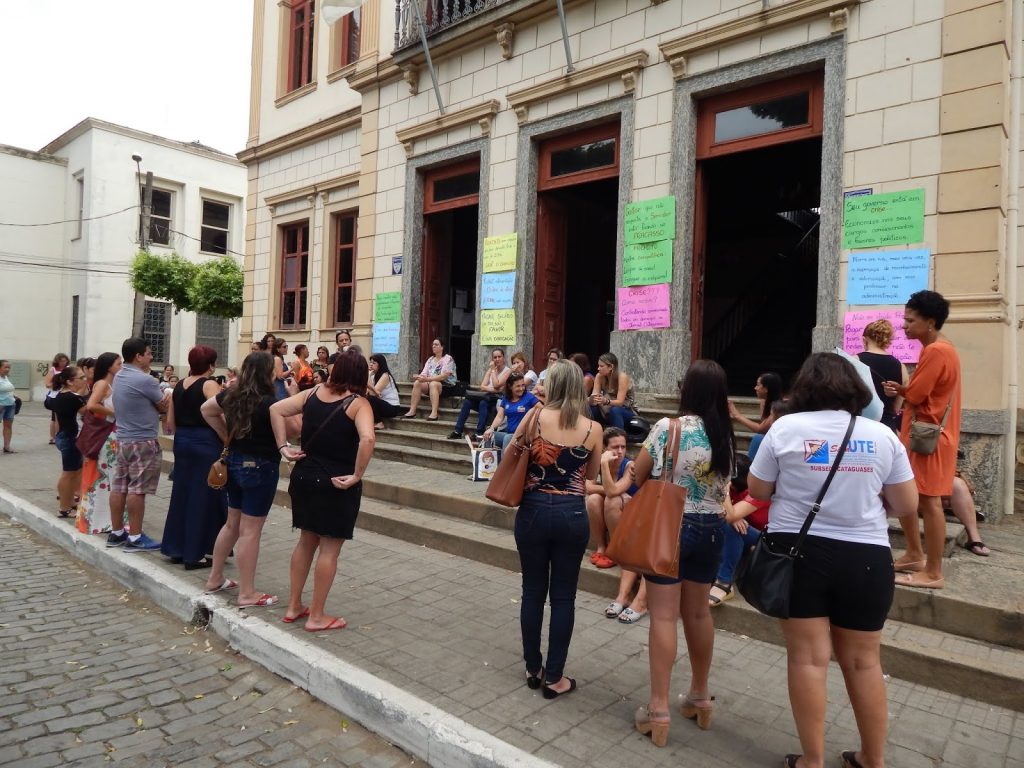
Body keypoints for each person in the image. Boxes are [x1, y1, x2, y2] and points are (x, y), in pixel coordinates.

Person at [747, 352, 918, 768]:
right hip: (867, 558)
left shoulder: (785, 428)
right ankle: (872, 759)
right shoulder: (881, 436)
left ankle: (813, 759)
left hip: (800, 554)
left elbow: (759, 489)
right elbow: (906, 504)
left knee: (808, 658)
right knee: (864, 662)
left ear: (804, 386)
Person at [632, 360, 734, 746]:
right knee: (698, 612)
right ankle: (700, 696)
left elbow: (639, 475)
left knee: (662, 616)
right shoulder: (723, 435)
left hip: (672, 527)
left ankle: (658, 710)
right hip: (711, 530)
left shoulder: (668, 428)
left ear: (687, 390)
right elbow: (723, 489)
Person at [512, 359, 602, 700]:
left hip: (533, 511)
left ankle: (533, 668)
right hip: (572, 515)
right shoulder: (592, 429)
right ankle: (555, 677)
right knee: (564, 597)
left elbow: (512, 453)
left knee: (532, 591)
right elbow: (591, 475)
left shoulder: (534, 417)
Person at [271, 350, 376, 630]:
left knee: (306, 541)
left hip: (304, 477)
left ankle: (294, 605)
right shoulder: (358, 403)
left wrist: (283, 446)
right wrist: (357, 474)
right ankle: (316, 615)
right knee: (329, 550)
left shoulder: (313, 392)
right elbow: (367, 438)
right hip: (336, 482)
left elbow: (276, 409)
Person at [201, 352, 294, 607]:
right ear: (267, 373)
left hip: (234, 462)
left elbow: (206, 409)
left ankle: (215, 577)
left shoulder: (231, 395)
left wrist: (225, 434)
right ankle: (247, 593)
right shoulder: (270, 402)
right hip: (261, 466)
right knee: (250, 530)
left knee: (232, 524)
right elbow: (289, 431)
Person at [883, 290, 961, 590]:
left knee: (929, 503)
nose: (904, 325)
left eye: (910, 320)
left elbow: (916, 395)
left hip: (927, 439)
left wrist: (901, 391)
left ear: (930, 322)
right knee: (912, 497)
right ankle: (915, 555)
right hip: (928, 436)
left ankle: (933, 571)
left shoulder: (935, 351)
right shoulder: (943, 348)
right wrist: (903, 390)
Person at [161, 346, 226, 569]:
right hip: (205, 442)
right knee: (204, 497)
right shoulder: (210, 384)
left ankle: (176, 547)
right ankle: (196, 552)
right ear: (210, 364)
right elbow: (219, 413)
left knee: (182, 494)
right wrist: (227, 438)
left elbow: (170, 421)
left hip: (183, 441)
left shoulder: (180, 385)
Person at [107, 338, 171, 552]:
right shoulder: (146, 380)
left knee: (119, 486)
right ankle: (135, 537)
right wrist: (169, 396)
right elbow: (162, 405)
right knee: (138, 489)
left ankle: (117, 533)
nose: (151, 357)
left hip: (123, 438)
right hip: (142, 439)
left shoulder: (120, 376)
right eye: (149, 353)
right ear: (138, 356)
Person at [590, 427, 649, 625]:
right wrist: (605, 486)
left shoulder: (628, 465)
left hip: (632, 514)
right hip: (617, 512)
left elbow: (613, 490)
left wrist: (605, 469)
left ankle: (617, 551)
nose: (620, 451)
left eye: (623, 446)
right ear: (605, 447)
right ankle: (602, 547)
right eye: (615, 447)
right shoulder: (596, 460)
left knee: (611, 500)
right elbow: (587, 486)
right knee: (592, 500)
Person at [708, 454, 769, 607]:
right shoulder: (733, 488)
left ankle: (724, 582)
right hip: (744, 536)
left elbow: (729, 515)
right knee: (727, 525)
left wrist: (725, 492)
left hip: (766, 539)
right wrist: (732, 516)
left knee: (729, 525)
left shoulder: (759, 492)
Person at [77, 353, 123, 534]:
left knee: (107, 479)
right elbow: (91, 405)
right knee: (104, 478)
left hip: (109, 435)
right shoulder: (103, 384)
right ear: (109, 366)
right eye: (118, 363)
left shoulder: (107, 383)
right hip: (106, 436)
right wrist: (113, 413)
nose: (121, 366)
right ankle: (99, 520)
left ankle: (103, 520)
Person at [45, 366, 88, 518]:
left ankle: (69, 502)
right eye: (81, 378)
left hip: (64, 436)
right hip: (71, 437)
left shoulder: (60, 396)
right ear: (70, 381)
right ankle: (64, 507)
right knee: (68, 473)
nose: (84, 380)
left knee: (74, 472)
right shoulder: (73, 398)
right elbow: (87, 411)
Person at [447, 348, 510, 439]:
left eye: (499, 357)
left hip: (497, 401)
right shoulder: (491, 370)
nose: (497, 359)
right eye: (494, 357)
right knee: (468, 401)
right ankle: (458, 430)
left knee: (483, 403)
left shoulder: (507, 371)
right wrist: (492, 388)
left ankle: (479, 432)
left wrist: (492, 381)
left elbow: (500, 389)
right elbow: (482, 386)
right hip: (487, 397)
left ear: (504, 358)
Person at [858, 319, 908, 433]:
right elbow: (896, 408)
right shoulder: (901, 366)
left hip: (861, 425)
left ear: (864, 339)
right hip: (887, 426)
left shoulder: (855, 360)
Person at [402, 338, 458, 421]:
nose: (433, 346)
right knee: (418, 383)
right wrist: (419, 377)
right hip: (431, 383)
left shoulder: (448, 359)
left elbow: (443, 376)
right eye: (433, 344)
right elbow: (424, 373)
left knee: (433, 383)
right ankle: (412, 410)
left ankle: (434, 413)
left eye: (436, 344)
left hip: (447, 386)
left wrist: (427, 379)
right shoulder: (430, 359)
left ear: (442, 347)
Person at [482, 372, 539, 450]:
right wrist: (491, 429)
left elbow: (542, 410)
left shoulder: (528, 397)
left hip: (522, 436)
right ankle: (488, 461)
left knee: (507, 438)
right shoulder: (506, 398)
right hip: (509, 434)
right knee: (488, 436)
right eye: (518, 386)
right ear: (510, 386)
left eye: (523, 385)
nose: (521, 388)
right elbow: (499, 416)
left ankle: (504, 462)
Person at [588, 353, 635, 429]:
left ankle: (617, 436)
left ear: (611, 367)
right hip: (606, 409)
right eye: (598, 365)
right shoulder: (599, 376)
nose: (598, 368)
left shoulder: (622, 377)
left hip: (625, 409)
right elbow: (594, 395)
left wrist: (606, 401)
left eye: (601, 366)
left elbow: (620, 402)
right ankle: (594, 433)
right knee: (591, 407)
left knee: (615, 410)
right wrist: (590, 399)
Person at [368, 354, 403, 424]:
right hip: (382, 405)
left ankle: (379, 423)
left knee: (370, 398)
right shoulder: (373, 376)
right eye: (370, 362)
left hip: (392, 407)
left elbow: (372, 394)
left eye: (374, 363)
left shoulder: (385, 376)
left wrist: (368, 375)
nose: (371, 364)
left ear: (380, 365)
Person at [44, 353, 70, 444]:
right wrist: (58, 383)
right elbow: (47, 384)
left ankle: (57, 436)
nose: (63, 362)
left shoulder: (68, 369)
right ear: (57, 361)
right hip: (55, 395)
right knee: (55, 417)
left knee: (59, 417)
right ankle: (54, 436)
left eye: (65, 360)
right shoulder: (53, 370)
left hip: (65, 395)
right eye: (61, 361)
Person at [0, 359, 17, 453]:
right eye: (5, 367)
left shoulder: (5, 377)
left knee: (8, 426)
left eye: (9, 367)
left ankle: (7, 446)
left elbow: (7, 388)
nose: (7, 369)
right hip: (1, 405)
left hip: (10, 405)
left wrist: (14, 395)